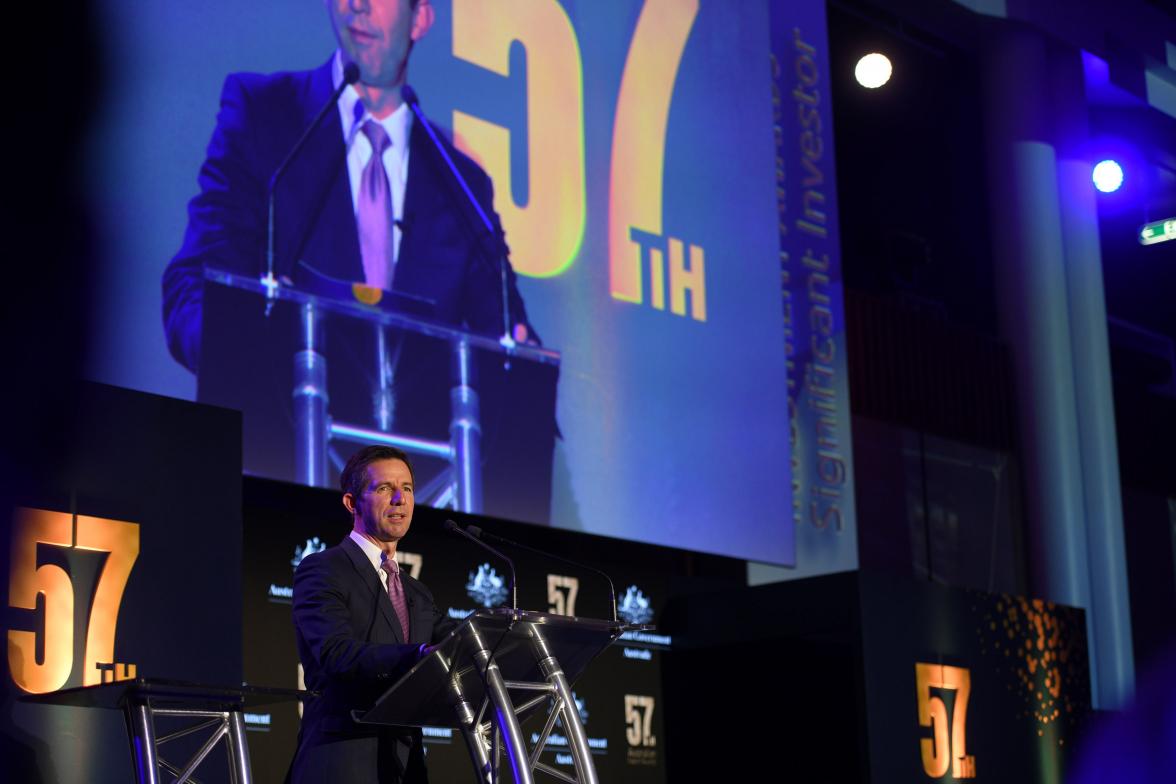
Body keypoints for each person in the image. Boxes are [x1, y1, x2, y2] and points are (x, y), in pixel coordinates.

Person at [162, 0, 536, 374]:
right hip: (279, 425)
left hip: (416, 431)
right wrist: (246, 344)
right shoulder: (263, 116)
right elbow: (192, 289)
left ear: (419, 18)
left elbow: (512, 341)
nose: (358, 4)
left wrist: (521, 367)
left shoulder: (462, 184)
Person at [291, 444, 454, 783]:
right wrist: (420, 655)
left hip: (405, 768)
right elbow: (337, 654)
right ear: (352, 503)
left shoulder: (416, 592)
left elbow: (456, 640)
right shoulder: (323, 569)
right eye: (385, 488)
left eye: (407, 488)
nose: (400, 499)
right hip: (343, 761)